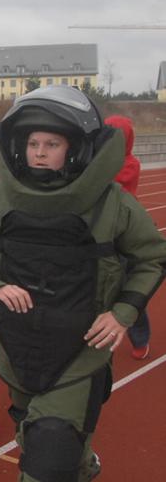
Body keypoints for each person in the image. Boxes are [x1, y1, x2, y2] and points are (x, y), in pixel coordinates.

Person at [0, 85, 166, 482]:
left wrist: (122, 314)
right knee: (39, 438)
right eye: (33, 142)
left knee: (48, 453)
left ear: (76, 148)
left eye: (52, 143)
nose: (40, 151)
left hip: (81, 349)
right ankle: (82, 464)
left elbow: (152, 256)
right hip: (17, 348)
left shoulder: (110, 203)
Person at [104, 115, 151, 360]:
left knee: (126, 290)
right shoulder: (97, 160)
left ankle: (140, 337)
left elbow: (108, 184)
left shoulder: (129, 164)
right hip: (99, 234)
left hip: (123, 235)